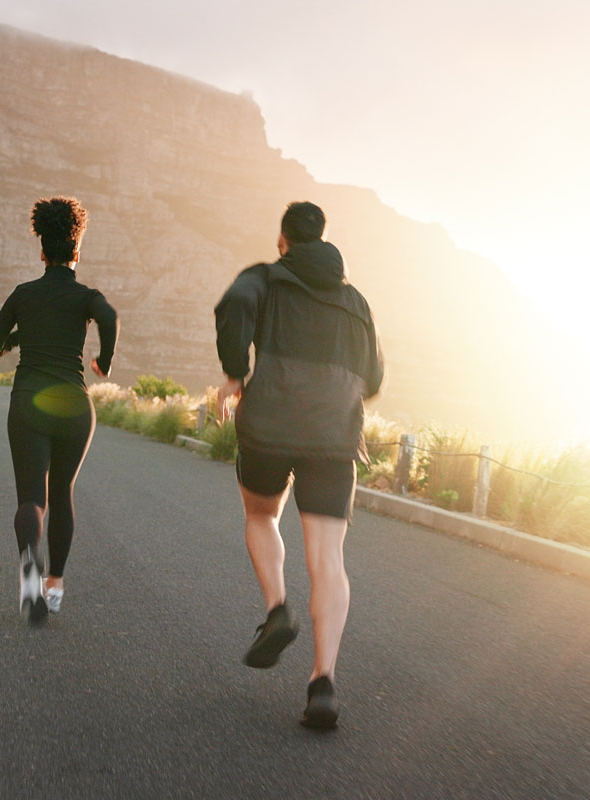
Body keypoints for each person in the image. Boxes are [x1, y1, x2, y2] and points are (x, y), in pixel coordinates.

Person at [214, 201, 384, 729]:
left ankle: (277, 609)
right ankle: (323, 683)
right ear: (324, 239)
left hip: (269, 425)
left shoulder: (264, 277)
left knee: (262, 514)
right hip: (334, 437)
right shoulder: (356, 300)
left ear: (283, 240)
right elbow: (374, 377)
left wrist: (236, 374)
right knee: (328, 557)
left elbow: (233, 308)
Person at [0, 197, 118, 625]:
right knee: (62, 493)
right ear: (77, 251)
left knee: (31, 499)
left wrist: (18, 337)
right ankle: (54, 584)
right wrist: (104, 360)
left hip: (29, 402)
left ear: (42, 251)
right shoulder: (86, 297)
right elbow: (108, 315)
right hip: (74, 404)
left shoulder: (24, 295)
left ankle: (29, 574)